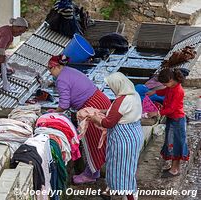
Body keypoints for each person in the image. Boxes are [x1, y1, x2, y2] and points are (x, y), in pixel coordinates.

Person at [47, 55, 111, 184]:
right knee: (102, 141)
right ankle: (97, 170)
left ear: (56, 66)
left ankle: (90, 175)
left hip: (92, 108)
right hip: (100, 100)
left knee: (92, 143)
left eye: (50, 69)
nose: (50, 72)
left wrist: (55, 112)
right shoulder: (69, 71)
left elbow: (64, 104)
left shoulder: (61, 79)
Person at [87, 72, 143, 200]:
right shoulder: (134, 95)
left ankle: (130, 196)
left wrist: (94, 117)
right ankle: (114, 191)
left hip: (123, 139)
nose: (111, 89)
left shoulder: (121, 101)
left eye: (111, 86)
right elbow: (119, 113)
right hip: (133, 134)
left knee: (122, 169)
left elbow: (108, 123)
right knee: (126, 167)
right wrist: (102, 111)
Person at [147, 68, 189, 178]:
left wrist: (157, 112)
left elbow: (171, 109)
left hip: (177, 121)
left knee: (176, 145)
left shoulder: (178, 91)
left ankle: (175, 169)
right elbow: (165, 91)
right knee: (172, 143)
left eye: (165, 83)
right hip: (172, 119)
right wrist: (155, 91)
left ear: (171, 80)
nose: (165, 85)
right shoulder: (171, 87)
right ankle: (173, 167)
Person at [0, 17, 28, 91]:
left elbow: (0, 52)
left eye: (22, 33)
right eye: (20, 31)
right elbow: (0, 51)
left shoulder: (7, 30)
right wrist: (2, 66)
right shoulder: (6, 34)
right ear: (15, 26)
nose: (20, 34)